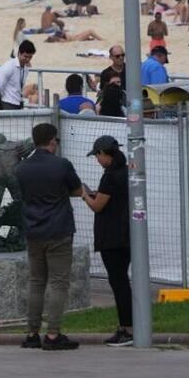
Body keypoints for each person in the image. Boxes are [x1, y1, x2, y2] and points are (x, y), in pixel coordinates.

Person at [15, 123, 83, 351]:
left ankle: (32, 333)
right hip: (59, 230)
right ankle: (53, 334)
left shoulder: (22, 169)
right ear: (52, 140)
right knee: (58, 283)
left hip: (34, 230)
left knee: (36, 282)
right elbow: (76, 190)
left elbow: (22, 195)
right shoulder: (61, 165)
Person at [80, 136, 133, 347]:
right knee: (122, 282)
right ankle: (129, 325)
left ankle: (126, 328)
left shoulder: (110, 177)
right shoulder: (126, 170)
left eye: (97, 156)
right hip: (126, 234)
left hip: (112, 237)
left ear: (104, 154)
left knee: (118, 283)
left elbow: (98, 206)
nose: (97, 160)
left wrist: (85, 195)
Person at [0, 40, 35, 109]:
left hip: (19, 103)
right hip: (7, 103)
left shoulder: (26, 68)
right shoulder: (8, 67)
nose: (28, 60)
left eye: (30, 57)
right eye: (25, 56)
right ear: (19, 53)